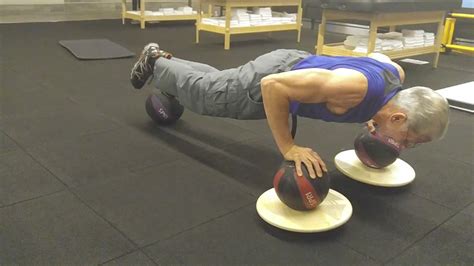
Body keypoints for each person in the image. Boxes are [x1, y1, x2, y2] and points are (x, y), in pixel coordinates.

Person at [129, 43, 450, 179]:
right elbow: (273, 87)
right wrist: (289, 147)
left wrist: (373, 116)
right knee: (206, 97)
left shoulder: (396, 76)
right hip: (277, 79)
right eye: (409, 140)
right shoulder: (357, 90)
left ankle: (170, 65)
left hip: (296, 64)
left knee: (219, 84)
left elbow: (377, 56)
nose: (403, 148)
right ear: (398, 117)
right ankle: (155, 63)